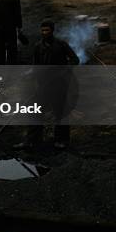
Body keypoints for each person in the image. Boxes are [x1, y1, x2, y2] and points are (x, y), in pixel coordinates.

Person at [17, 19, 80, 150]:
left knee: (60, 113)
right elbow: (36, 66)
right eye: (43, 30)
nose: (44, 32)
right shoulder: (38, 46)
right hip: (43, 85)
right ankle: (32, 140)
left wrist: (63, 71)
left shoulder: (61, 45)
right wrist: (31, 76)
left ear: (52, 31)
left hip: (59, 86)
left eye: (47, 30)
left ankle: (61, 140)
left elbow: (75, 60)